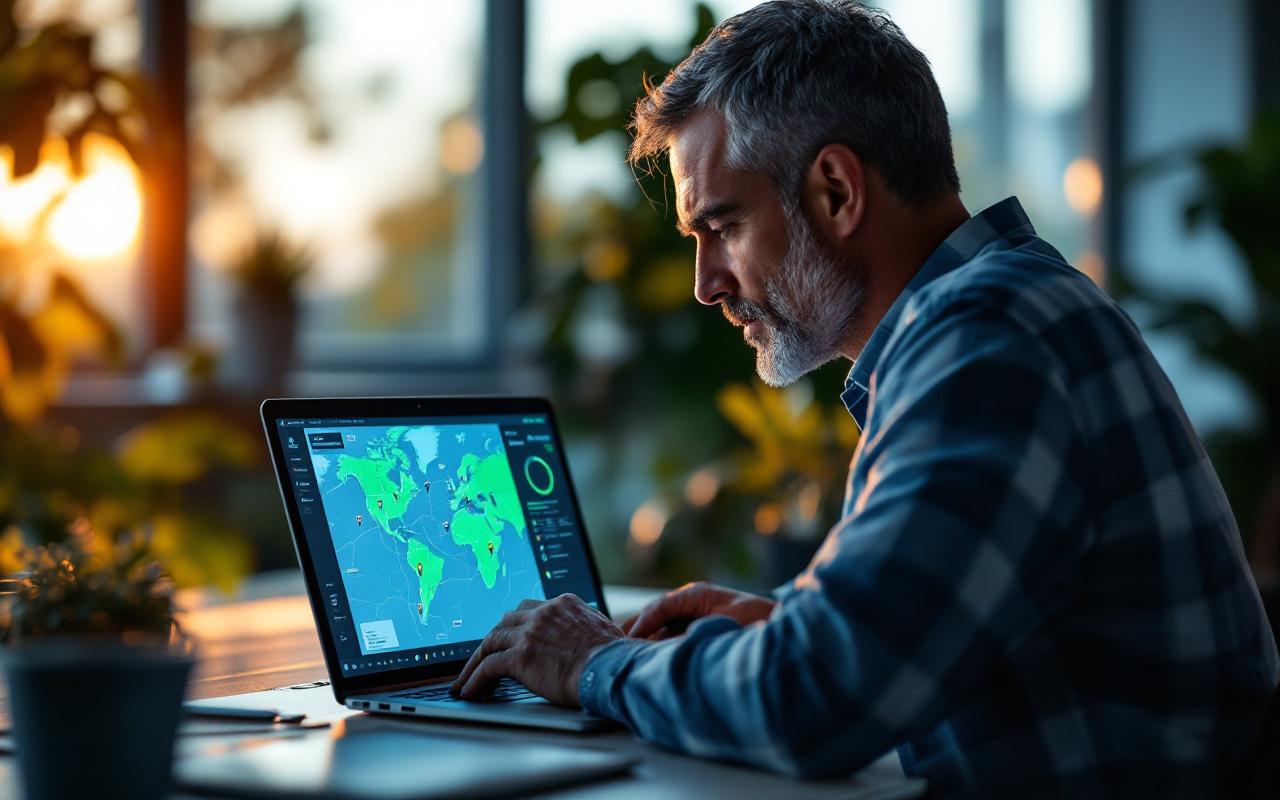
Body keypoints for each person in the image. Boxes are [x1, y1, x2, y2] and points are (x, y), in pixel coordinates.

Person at [450, 0, 1280, 795]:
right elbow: (923, 638)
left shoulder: (986, 338)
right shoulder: (1005, 311)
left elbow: (820, 699)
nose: (707, 284)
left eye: (723, 227)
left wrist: (594, 665)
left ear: (837, 192)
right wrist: (791, 623)